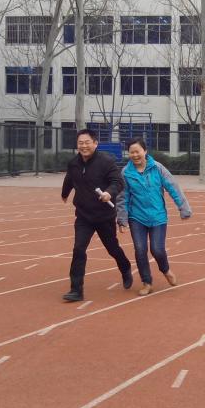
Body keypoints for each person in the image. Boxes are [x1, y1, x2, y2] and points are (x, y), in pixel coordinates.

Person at [60, 128, 134, 302]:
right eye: (80, 143)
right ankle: (76, 290)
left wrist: (109, 193)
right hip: (84, 216)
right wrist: (65, 193)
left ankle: (125, 268)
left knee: (112, 248)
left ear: (95, 143)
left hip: (104, 216)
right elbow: (70, 179)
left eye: (87, 142)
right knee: (78, 249)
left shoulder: (106, 161)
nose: (84, 146)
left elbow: (118, 182)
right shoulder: (74, 163)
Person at [116, 137, 192, 296]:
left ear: (145, 151)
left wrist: (183, 208)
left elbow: (172, 187)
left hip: (158, 217)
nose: (135, 155)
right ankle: (147, 282)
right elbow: (123, 197)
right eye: (131, 152)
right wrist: (122, 219)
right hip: (137, 217)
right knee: (140, 249)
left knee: (157, 249)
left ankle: (166, 270)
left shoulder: (157, 168)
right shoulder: (126, 173)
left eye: (137, 151)